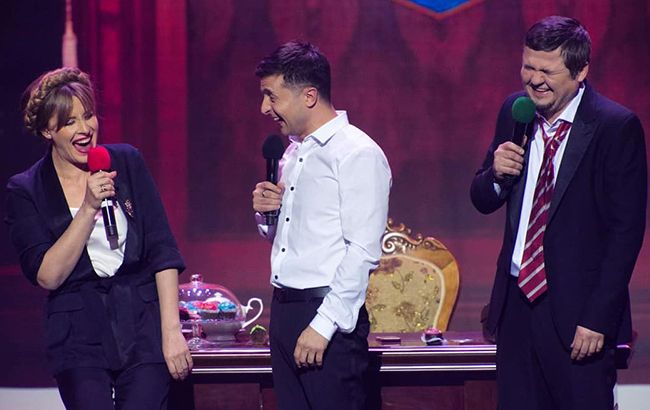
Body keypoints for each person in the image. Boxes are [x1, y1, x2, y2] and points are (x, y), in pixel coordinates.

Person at [470, 16, 646, 409]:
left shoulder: (614, 127)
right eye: (527, 67)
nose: (534, 81)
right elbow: (482, 199)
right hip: (516, 306)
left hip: (578, 315)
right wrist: (495, 175)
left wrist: (598, 318)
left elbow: (626, 232)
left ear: (580, 71)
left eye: (547, 72)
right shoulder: (515, 112)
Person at [6, 67, 192, 409]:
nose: (85, 129)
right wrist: (89, 207)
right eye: (70, 122)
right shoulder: (27, 189)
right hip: (78, 334)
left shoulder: (126, 161)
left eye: (88, 116)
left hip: (142, 325)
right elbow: (48, 275)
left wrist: (171, 332)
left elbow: (162, 251)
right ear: (48, 130)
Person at [251, 41, 391, 409]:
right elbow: (290, 241)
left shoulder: (357, 152)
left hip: (326, 316)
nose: (264, 108)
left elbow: (362, 250)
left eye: (272, 96)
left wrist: (323, 325)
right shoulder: (293, 152)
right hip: (284, 310)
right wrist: (266, 215)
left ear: (309, 96)